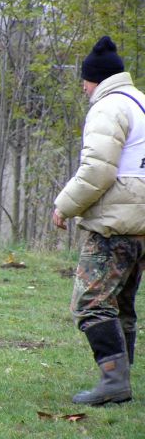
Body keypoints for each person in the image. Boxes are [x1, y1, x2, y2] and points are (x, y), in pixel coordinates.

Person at [53, 35, 145, 405]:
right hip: (140, 223)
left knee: (91, 302)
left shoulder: (108, 108)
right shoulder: (140, 102)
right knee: (122, 302)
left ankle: (114, 381)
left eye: (85, 80)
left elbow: (96, 171)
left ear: (96, 79)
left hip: (116, 220)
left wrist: (64, 205)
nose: (84, 87)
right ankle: (121, 378)